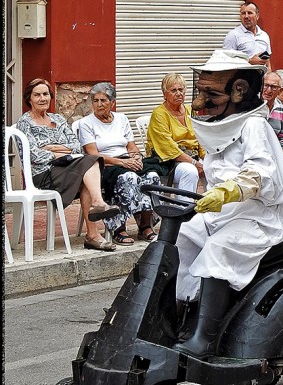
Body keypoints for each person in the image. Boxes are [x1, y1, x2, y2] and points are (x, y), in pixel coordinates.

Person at [173, 49, 283, 358]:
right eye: (201, 90)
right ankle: (184, 315)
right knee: (184, 237)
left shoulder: (253, 126)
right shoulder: (220, 125)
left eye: (210, 93)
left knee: (219, 249)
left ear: (239, 90)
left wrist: (227, 192)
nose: (200, 100)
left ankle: (205, 337)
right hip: (225, 212)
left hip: (259, 216)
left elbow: (260, 173)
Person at [15, 77, 120, 252]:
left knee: (88, 167)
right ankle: (97, 214)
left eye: (46, 94)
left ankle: (94, 230)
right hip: (43, 174)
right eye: (37, 95)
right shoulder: (24, 123)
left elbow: (76, 146)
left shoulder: (59, 119)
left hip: (67, 168)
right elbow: (32, 154)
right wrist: (58, 152)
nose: (42, 98)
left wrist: (54, 149)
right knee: (88, 164)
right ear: (29, 99)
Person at [78, 82, 158, 244]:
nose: (99, 104)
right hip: (105, 166)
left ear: (112, 102)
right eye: (96, 100)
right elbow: (92, 154)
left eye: (103, 100)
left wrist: (135, 157)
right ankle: (118, 228)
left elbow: (131, 145)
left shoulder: (121, 119)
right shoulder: (86, 123)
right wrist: (122, 163)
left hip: (124, 161)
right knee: (128, 177)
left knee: (152, 175)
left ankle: (145, 225)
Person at [144, 73, 204, 193]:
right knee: (190, 171)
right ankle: (184, 210)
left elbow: (201, 138)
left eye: (181, 89)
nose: (178, 93)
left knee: (215, 167)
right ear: (164, 94)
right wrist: (195, 163)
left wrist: (206, 158)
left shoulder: (190, 110)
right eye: (174, 90)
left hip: (192, 156)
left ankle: (213, 209)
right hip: (169, 162)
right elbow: (169, 149)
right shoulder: (159, 114)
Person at [222, 2, 272, 68]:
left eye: (250, 13)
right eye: (243, 13)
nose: (246, 16)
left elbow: (267, 61)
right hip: (242, 77)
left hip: (262, 77)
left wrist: (268, 76)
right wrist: (249, 61)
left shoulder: (264, 35)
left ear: (257, 16)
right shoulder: (233, 35)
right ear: (240, 16)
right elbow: (226, 61)